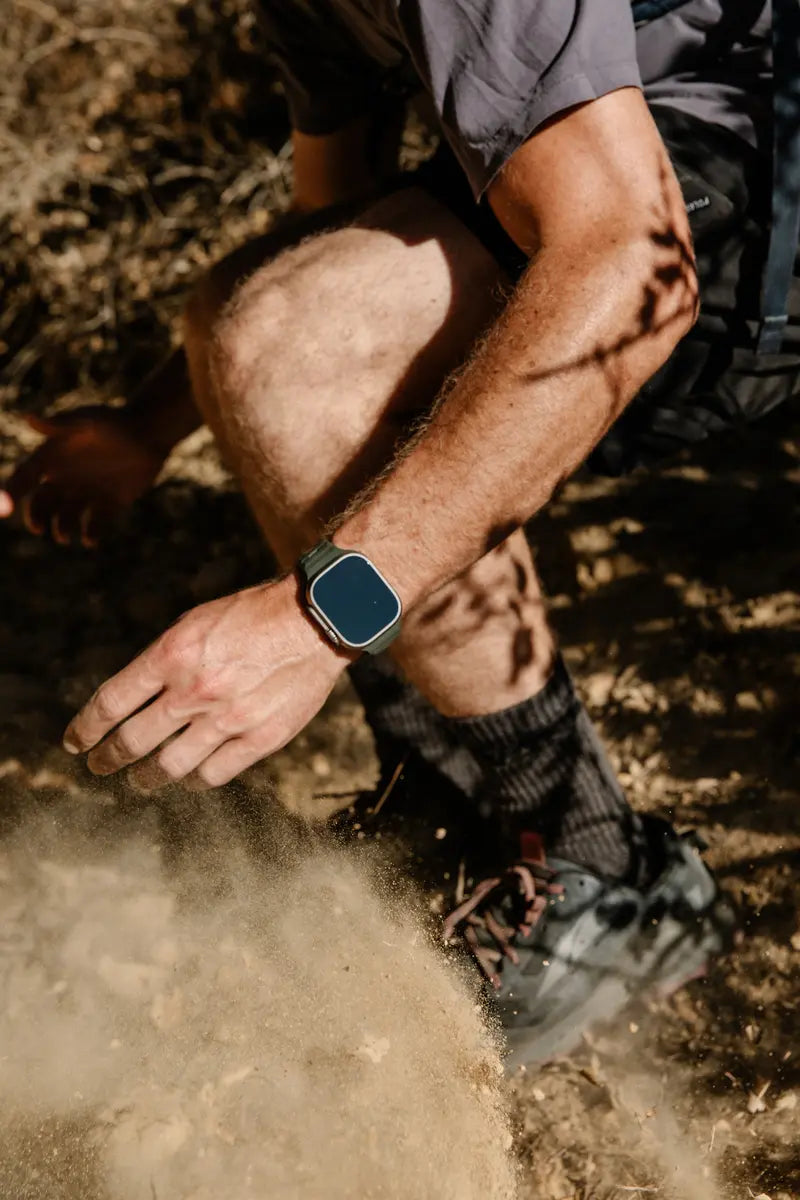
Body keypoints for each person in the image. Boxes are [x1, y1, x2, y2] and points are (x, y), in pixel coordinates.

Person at [2, 0, 793, 1066]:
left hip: (737, 216)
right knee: (249, 316)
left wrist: (315, 624)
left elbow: (625, 261)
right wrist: (150, 423)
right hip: (647, 201)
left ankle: (601, 869)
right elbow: (322, 260)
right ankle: (449, 799)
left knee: (292, 342)